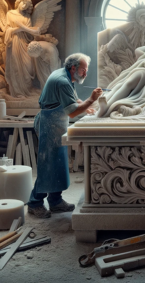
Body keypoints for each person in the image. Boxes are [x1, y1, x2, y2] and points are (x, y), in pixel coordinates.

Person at [27, 53, 103, 218]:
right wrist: (91, 100)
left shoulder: (66, 76)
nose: (85, 73)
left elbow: (73, 100)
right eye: (84, 69)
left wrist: (85, 105)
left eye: (86, 70)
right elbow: (72, 112)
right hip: (49, 125)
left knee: (59, 165)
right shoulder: (62, 81)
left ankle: (55, 201)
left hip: (56, 126)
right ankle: (35, 203)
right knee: (47, 167)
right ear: (74, 67)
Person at [96, 42, 145, 118]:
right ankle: (105, 105)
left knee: (129, 84)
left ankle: (106, 108)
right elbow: (137, 51)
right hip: (142, 70)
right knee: (124, 84)